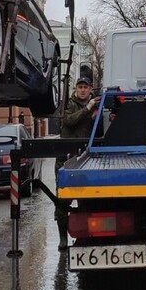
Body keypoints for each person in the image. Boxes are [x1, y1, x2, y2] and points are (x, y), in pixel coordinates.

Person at [54, 77, 99, 250]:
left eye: (85, 87)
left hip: (85, 159)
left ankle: (84, 236)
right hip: (65, 159)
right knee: (62, 201)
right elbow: (69, 121)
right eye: (80, 87)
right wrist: (88, 109)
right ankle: (62, 238)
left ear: (90, 89)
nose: (82, 90)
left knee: (86, 200)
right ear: (76, 89)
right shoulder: (69, 104)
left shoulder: (96, 104)